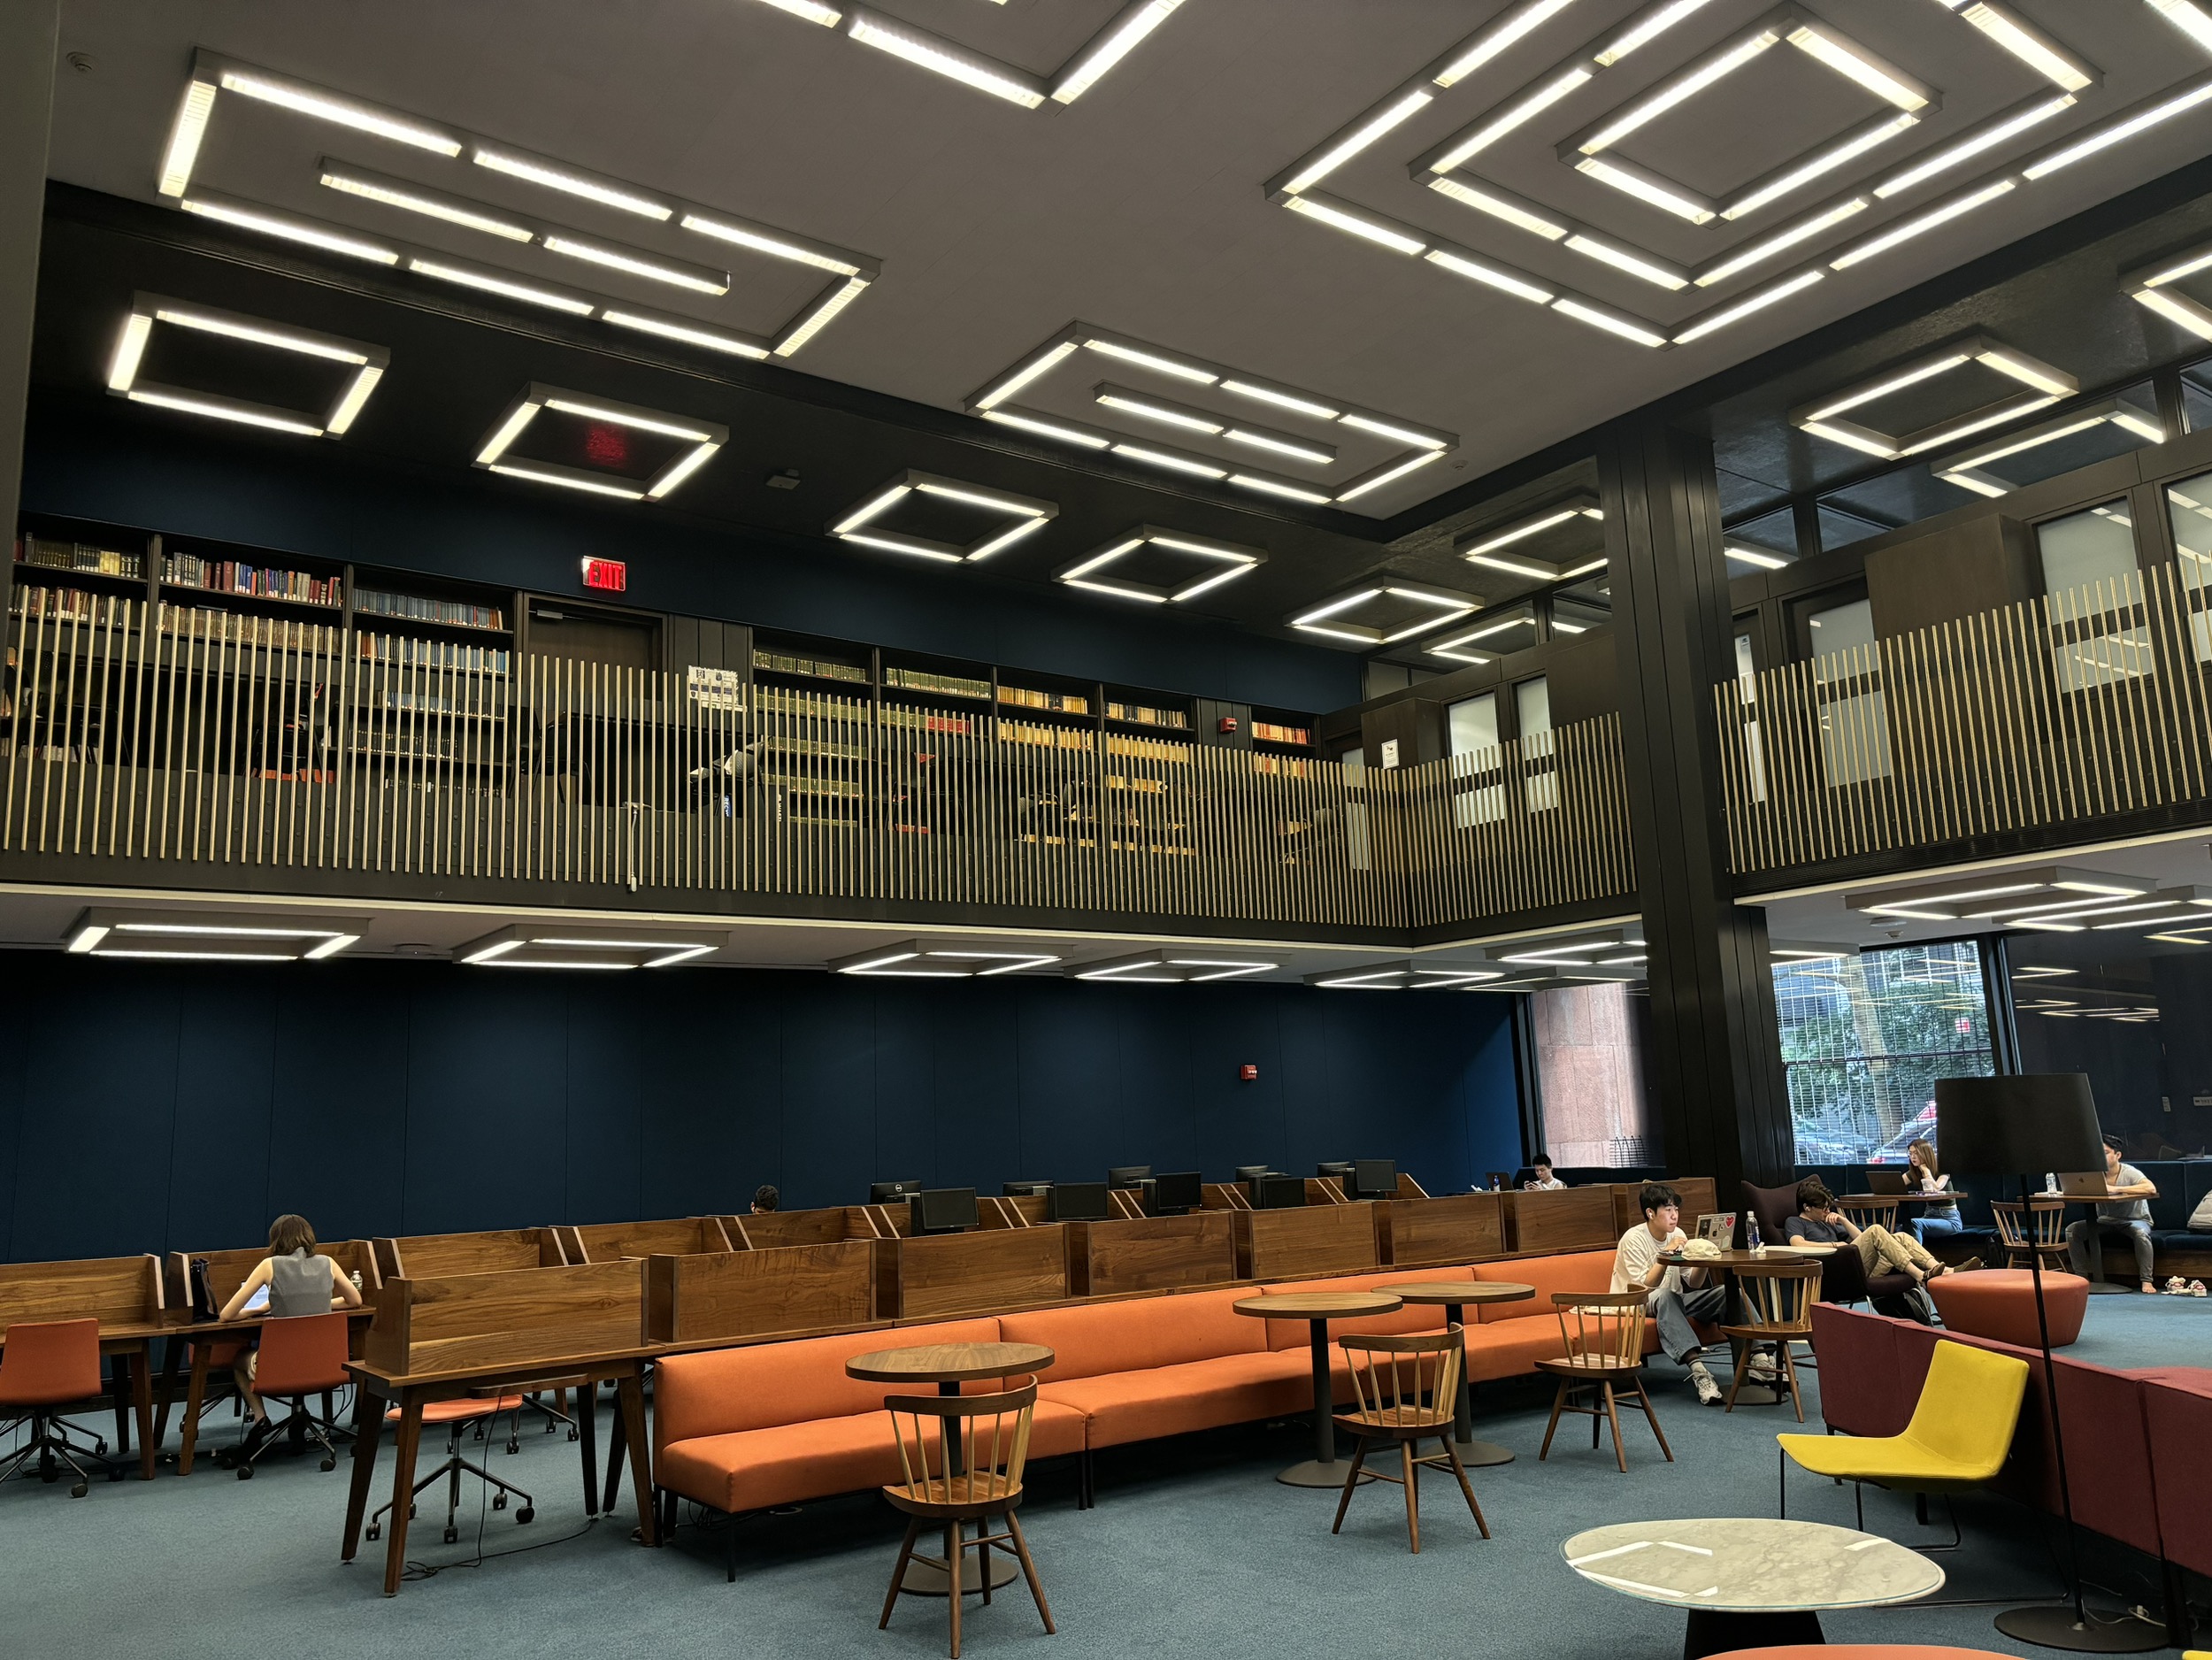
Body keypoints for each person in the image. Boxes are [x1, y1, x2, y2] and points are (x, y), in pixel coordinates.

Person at [215, 1214, 361, 1464]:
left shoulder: (269, 1266)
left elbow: (226, 1315)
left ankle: (260, 1418)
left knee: (239, 1359)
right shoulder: (329, 1263)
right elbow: (354, 1301)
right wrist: (321, 1304)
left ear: (276, 1240)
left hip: (278, 1368)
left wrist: (257, 1310)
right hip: (326, 1366)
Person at [1611, 1181, 1728, 1406]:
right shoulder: (1632, 1239)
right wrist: (1666, 1253)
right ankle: (1699, 1371)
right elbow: (1645, 1288)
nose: (1674, 1215)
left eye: (1676, 1209)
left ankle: (1759, 1359)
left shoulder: (1679, 1234)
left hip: (1674, 1300)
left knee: (1726, 1292)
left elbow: (1693, 1282)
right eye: (1668, 1210)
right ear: (1650, 1213)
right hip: (1637, 1302)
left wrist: (1702, 1260)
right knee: (1664, 1295)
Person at [1783, 1180, 1969, 1319]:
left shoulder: (1827, 1222)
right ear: (1807, 1207)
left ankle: (1945, 1272)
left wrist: (1843, 1220)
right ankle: (1922, 1277)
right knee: (1876, 1230)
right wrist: (1835, 1245)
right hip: (1836, 1276)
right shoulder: (1795, 1222)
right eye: (1823, 1208)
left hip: (1857, 1268)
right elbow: (1797, 1244)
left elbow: (1858, 1239)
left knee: (1902, 1237)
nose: (1826, 1211)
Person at [2065, 1136, 2159, 1294]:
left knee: (2141, 1234)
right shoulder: (2094, 1174)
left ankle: (2146, 1280)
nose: (2101, 1157)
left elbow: (2150, 1188)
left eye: (2106, 1153)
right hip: (2105, 1221)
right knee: (2072, 1230)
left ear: (2118, 1155)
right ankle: (2081, 1278)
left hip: (2134, 1220)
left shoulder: (2129, 1172)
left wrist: (2115, 1189)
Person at [1903, 1138, 1963, 1249]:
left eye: (1916, 1153)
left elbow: (1936, 1188)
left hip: (1949, 1219)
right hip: (1929, 1215)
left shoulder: (1943, 1169)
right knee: (1902, 1229)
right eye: (1911, 1154)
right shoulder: (1914, 1172)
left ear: (1926, 1154)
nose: (1913, 1157)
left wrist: (1926, 1171)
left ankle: (1918, 1260)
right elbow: (1897, 1183)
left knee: (1914, 1224)